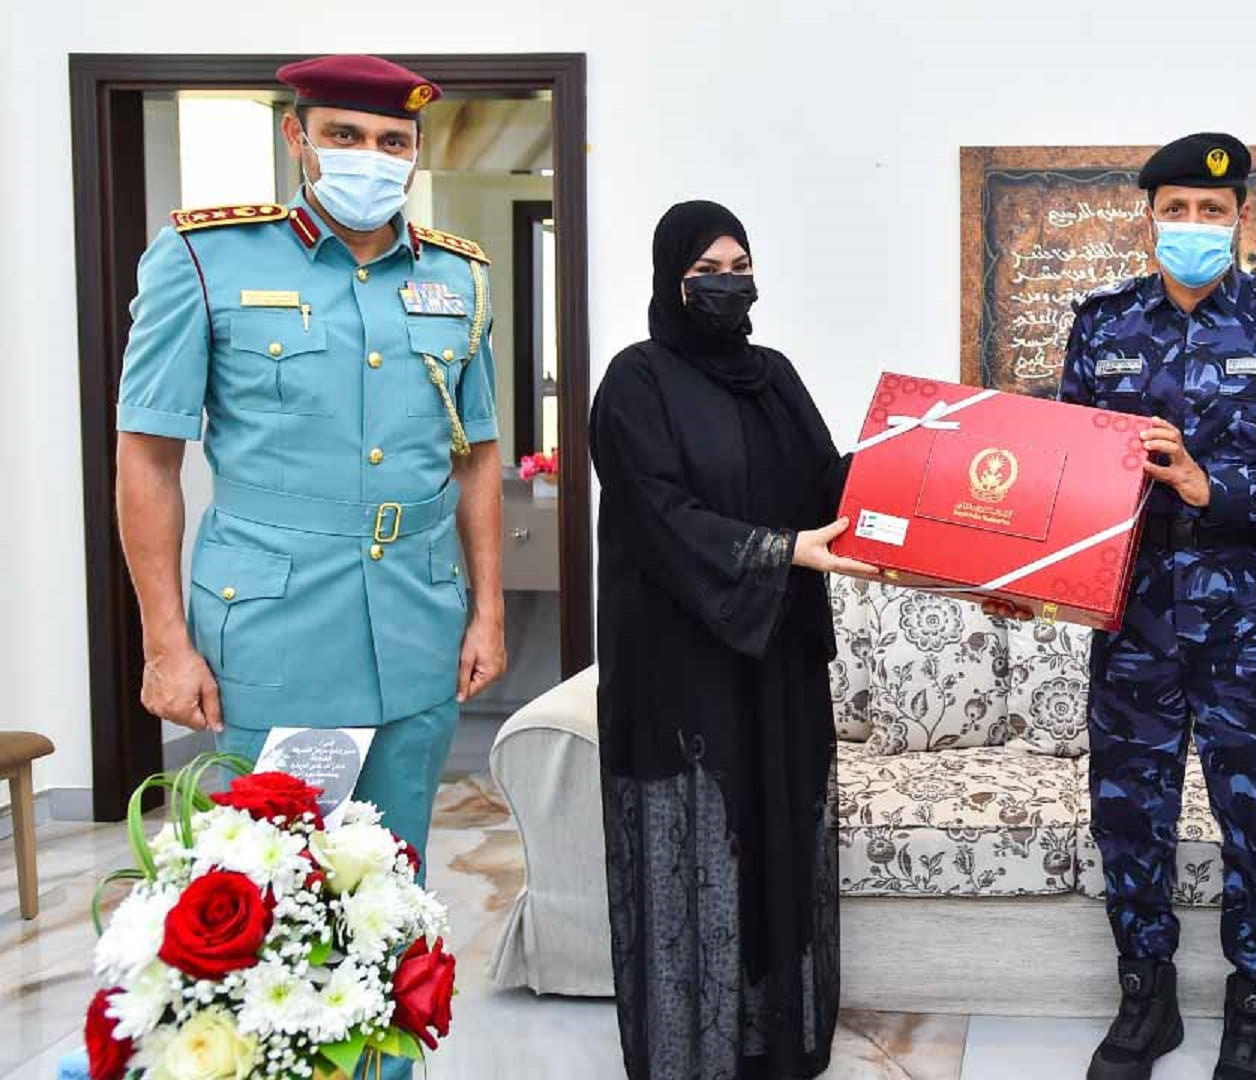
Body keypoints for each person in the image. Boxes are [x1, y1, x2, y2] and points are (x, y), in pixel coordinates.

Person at [117, 54, 503, 885]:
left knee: (396, 883)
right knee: (272, 890)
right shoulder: (206, 257)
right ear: (298, 138)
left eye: (392, 140)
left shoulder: (458, 276)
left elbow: (475, 453)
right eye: (345, 135)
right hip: (276, 630)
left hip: (417, 622)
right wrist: (163, 642)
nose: (371, 155)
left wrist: (490, 612)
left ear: (414, 153)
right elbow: (148, 457)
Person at [1059, 133, 1256, 1080]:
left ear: (1242, 221)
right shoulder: (1101, 324)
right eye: (1177, 208)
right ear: (1149, 216)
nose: (1194, 225)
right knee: (1128, 809)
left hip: (1252, 618)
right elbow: (1067, 466)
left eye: (1213, 211)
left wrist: (1209, 485)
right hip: (1133, 610)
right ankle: (1146, 997)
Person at [589, 200, 869, 1079]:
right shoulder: (636, 381)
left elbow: (825, 482)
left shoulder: (774, 375)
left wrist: (917, 460)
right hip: (681, 666)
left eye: (739, 264)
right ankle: (689, 1046)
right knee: (700, 849)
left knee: (778, 831)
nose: (727, 284)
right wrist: (783, 549)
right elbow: (659, 515)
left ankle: (767, 1036)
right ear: (672, 279)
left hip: (776, 652)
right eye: (707, 270)